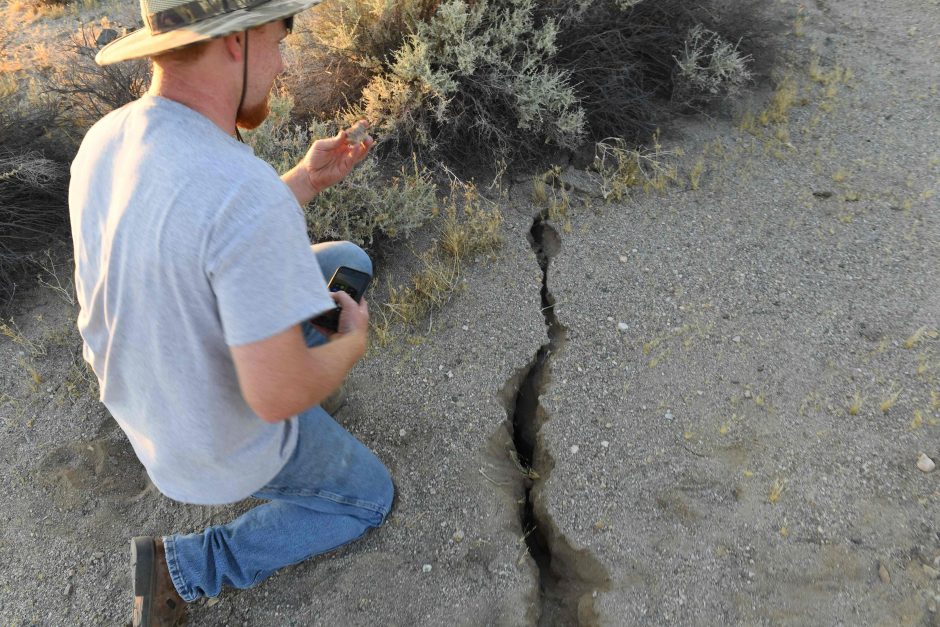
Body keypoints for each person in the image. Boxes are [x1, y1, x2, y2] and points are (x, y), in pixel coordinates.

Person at [68, 0, 394, 623]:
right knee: (366, 498)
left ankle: (301, 363)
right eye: (279, 38)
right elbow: (275, 397)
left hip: (144, 395)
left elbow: (199, 233)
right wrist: (348, 343)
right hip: (212, 440)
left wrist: (299, 181)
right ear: (238, 43)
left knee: (346, 258)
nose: (281, 63)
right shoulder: (237, 189)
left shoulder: (105, 138)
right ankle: (187, 566)